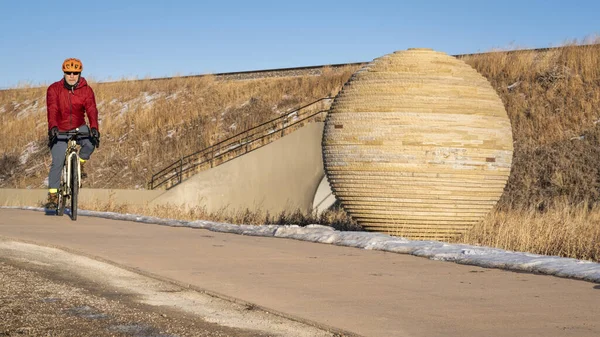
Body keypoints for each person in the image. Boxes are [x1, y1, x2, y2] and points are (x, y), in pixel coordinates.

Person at [45, 58, 100, 209]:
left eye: (75, 73)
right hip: (60, 128)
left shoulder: (86, 90)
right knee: (58, 160)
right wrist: (53, 127)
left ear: (79, 73)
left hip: (78, 126)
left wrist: (94, 128)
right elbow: (52, 109)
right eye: (68, 72)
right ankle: (53, 195)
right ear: (64, 73)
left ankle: (80, 164)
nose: (71, 75)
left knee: (90, 143)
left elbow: (91, 109)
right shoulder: (54, 89)